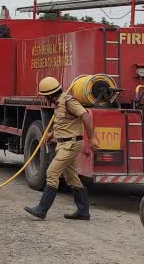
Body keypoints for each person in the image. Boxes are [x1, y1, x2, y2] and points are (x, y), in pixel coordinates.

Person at [24, 76, 97, 221]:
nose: (45, 99)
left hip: (71, 144)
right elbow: (64, 124)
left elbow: (85, 116)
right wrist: (51, 134)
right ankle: (83, 211)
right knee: (71, 178)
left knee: (51, 172)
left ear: (50, 95)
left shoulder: (69, 102)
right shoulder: (59, 104)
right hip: (64, 143)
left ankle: (42, 209)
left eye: (45, 96)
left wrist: (92, 138)